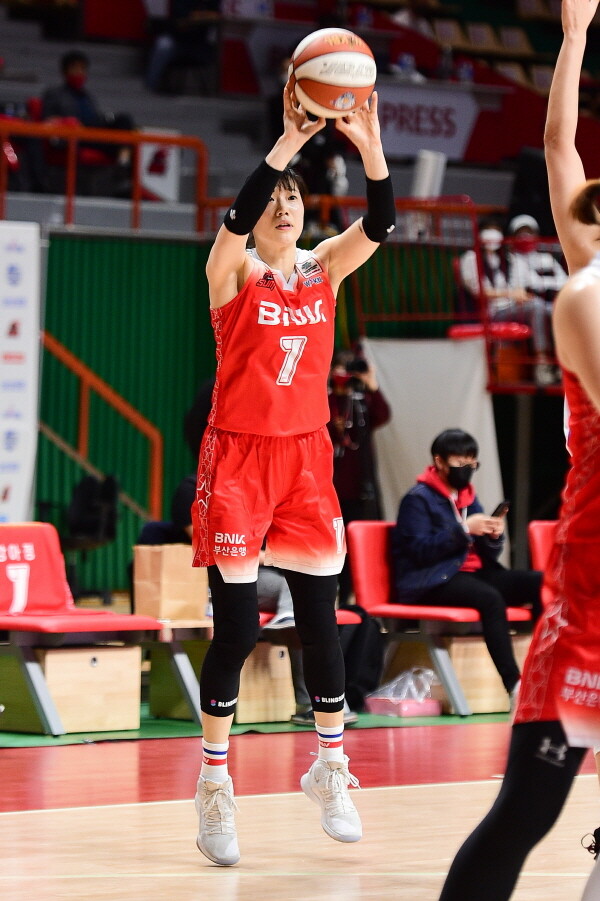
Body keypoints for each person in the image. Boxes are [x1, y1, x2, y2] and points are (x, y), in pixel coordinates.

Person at [190, 78, 395, 866]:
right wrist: (289, 141)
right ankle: (214, 782)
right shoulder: (234, 271)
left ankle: (330, 767)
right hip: (240, 456)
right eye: (274, 197)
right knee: (239, 629)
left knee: (321, 619)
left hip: (306, 458)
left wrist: (370, 149)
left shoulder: (323, 268)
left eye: (295, 197)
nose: (284, 207)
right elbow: (237, 216)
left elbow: (382, 221)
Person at [438, 2, 600, 898]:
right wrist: (572, 39)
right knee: (525, 813)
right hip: (592, 585)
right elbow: (559, 150)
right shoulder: (588, 289)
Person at [392, 429, 542, 704]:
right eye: (461, 463)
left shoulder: (469, 498)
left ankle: (549, 670)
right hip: (433, 579)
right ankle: (515, 687)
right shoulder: (418, 499)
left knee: (541, 583)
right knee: (490, 598)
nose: (468, 469)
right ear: (439, 461)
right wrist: (463, 530)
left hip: (473, 573)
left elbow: (488, 554)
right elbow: (418, 552)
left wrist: (493, 536)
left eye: (473, 464)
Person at [459, 215, 567, 387]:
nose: (492, 235)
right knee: (537, 307)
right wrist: (512, 294)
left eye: (496, 230)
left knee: (553, 310)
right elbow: (478, 291)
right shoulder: (471, 258)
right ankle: (542, 363)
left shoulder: (509, 258)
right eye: (488, 230)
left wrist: (520, 295)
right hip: (492, 313)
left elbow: (521, 286)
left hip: (515, 307)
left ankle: (564, 363)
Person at [328, 347, 391, 605]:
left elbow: (383, 415)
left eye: (350, 368)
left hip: (358, 488)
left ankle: (350, 600)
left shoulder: (361, 402)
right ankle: (331, 599)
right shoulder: (323, 399)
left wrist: (370, 382)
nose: (346, 373)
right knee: (332, 547)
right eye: (341, 368)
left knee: (354, 548)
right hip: (328, 488)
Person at [144, 0, 220, 94]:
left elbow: (216, 15)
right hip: (178, 40)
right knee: (163, 44)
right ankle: (150, 86)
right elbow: (181, 17)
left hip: (199, 44)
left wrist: (201, 16)